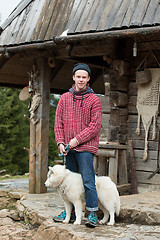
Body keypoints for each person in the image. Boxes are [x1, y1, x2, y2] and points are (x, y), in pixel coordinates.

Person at [54, 63, 102, 228]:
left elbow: (95, 126)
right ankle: (71, 213)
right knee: (68, 182)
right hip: (67, 148)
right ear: (73, 77)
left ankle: (92, 213)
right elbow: (58, 123)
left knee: (88, 181)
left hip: (85, 148)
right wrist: (60, 142)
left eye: (84, 77)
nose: (81, 79)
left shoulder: (94, 100)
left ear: (88, 79)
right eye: (78, 76)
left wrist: (76, 140)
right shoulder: (64, 98)